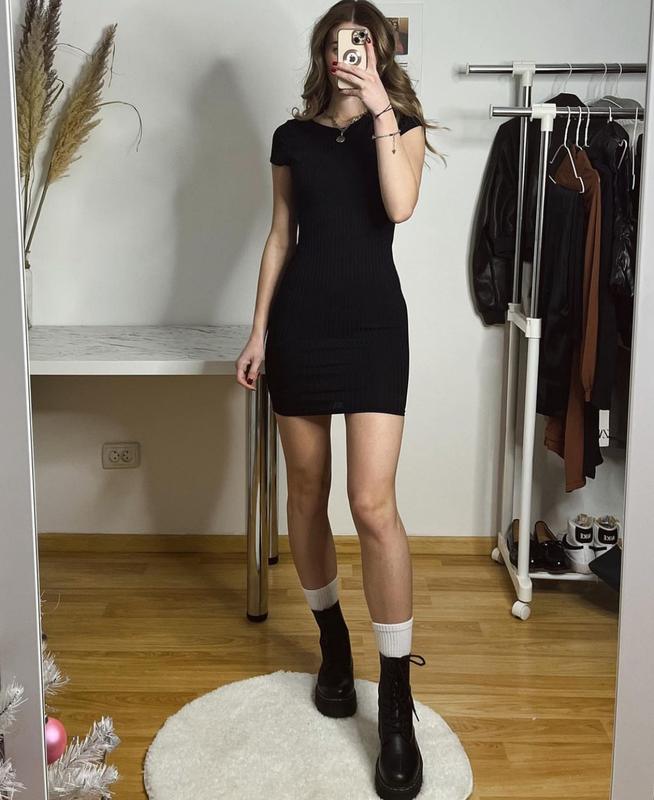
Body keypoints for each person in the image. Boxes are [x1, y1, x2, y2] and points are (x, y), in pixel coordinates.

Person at [235, 2, 442, 797]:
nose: (342, 53)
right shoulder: (292, 137)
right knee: (307, 493)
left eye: (358, 42)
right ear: (320, 52)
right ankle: (332, 643)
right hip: (300, 325)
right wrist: (258, 332)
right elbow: (280, 233)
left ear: (379, 51)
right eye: (333, 41)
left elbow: (399, 206)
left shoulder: (402, 124)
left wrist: (381, 105)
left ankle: (394, 702)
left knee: (372, 504)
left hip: (374, 327)